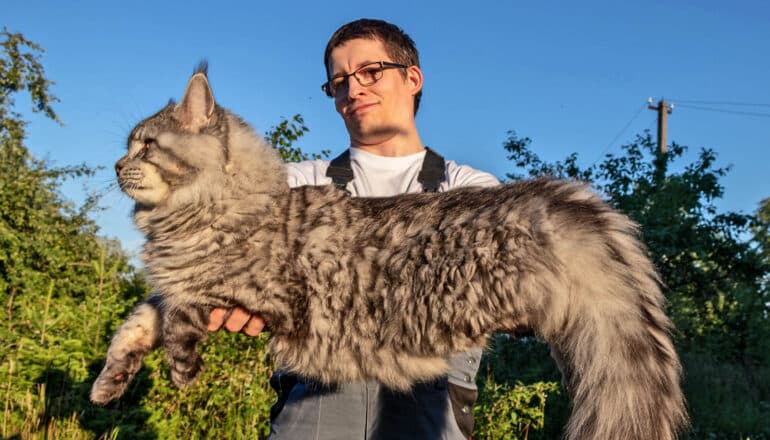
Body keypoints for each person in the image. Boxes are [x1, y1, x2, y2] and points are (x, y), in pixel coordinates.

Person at [208, 18, 499, 439]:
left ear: (412, 78)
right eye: (339, 82)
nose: (353, 89)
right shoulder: (293, 182)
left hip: (431, 409)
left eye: (370, 72)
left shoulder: (471, 189)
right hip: (313, 402)